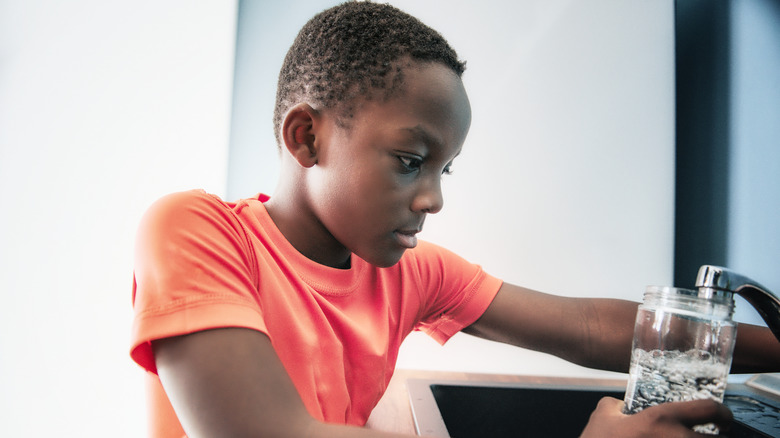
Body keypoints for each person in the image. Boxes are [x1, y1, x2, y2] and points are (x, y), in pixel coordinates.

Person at [129, 2, 780, 437]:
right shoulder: (193, 231)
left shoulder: (410, 273)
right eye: (412, 160)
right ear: (306, 139)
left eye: (446, 169)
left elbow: (584, 327)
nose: (434, 199)